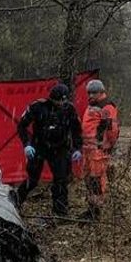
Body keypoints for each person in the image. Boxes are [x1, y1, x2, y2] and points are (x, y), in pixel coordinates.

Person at [16, 82, 82, 216]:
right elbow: (22, 126)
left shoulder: (69, 110)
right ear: (52, 98)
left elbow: (76, 130)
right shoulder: (37, 107)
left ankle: (60, 212)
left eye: (63, 101)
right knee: (32, 180)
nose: (60, 104)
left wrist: (77, 148)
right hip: (39, 146)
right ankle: (15, 202)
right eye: (58, 101)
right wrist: (26, 144)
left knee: (61, 180)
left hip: (60, 147)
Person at [80, 79, 119, 218]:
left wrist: (108, 146)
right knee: (88, 179)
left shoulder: (107, 107)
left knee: (96, 180)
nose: (90, 95)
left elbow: (112, 130)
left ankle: (95, 211)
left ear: (101, 92)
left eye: (94, 92)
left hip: (98, 150)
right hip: (88, 150)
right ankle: (91, 208)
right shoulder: (92, 105)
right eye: (89, 92)